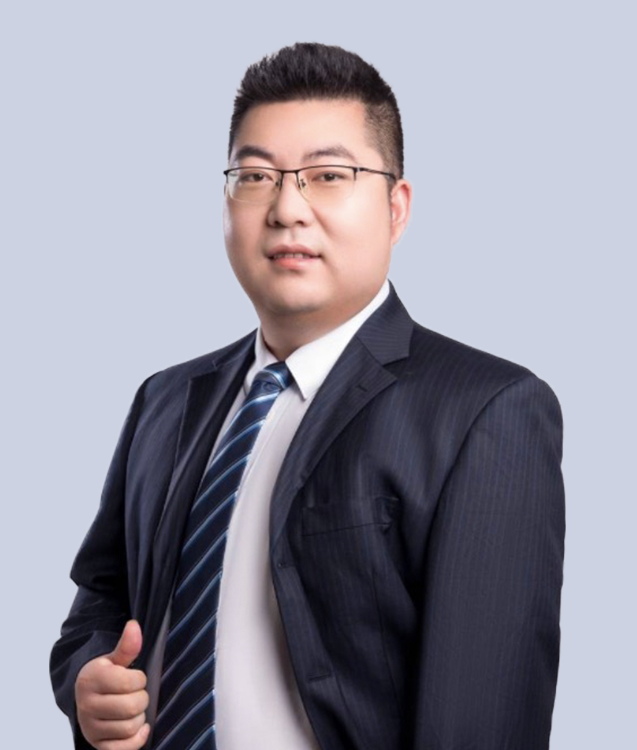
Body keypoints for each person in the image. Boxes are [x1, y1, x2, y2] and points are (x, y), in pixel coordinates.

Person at [50, 42, 566, 750]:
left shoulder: (484, 411)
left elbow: (479, 719)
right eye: (255, 176)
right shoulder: (164, 400)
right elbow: (100, 600)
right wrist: (88, 678)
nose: (287, 207)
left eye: (328, 175)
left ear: (396, 208)